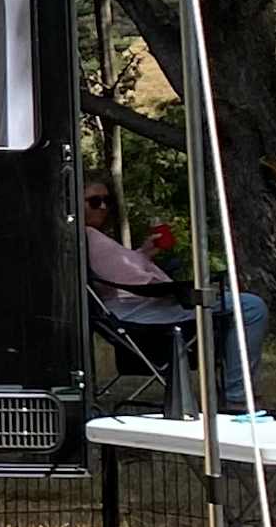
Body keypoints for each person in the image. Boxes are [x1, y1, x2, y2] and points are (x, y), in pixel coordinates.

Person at [84, 177, 265, 414]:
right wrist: (181, 290)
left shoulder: (85, 237)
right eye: (94, 201)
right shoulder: (91, 236)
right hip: (142, 312)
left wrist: (144, 253)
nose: (103, 207)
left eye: (107, 201)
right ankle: (238, 397)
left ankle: (235, 392)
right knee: (250, 307)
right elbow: (137, 281)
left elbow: (122, 271)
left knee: (232, 302)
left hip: (133, 310)